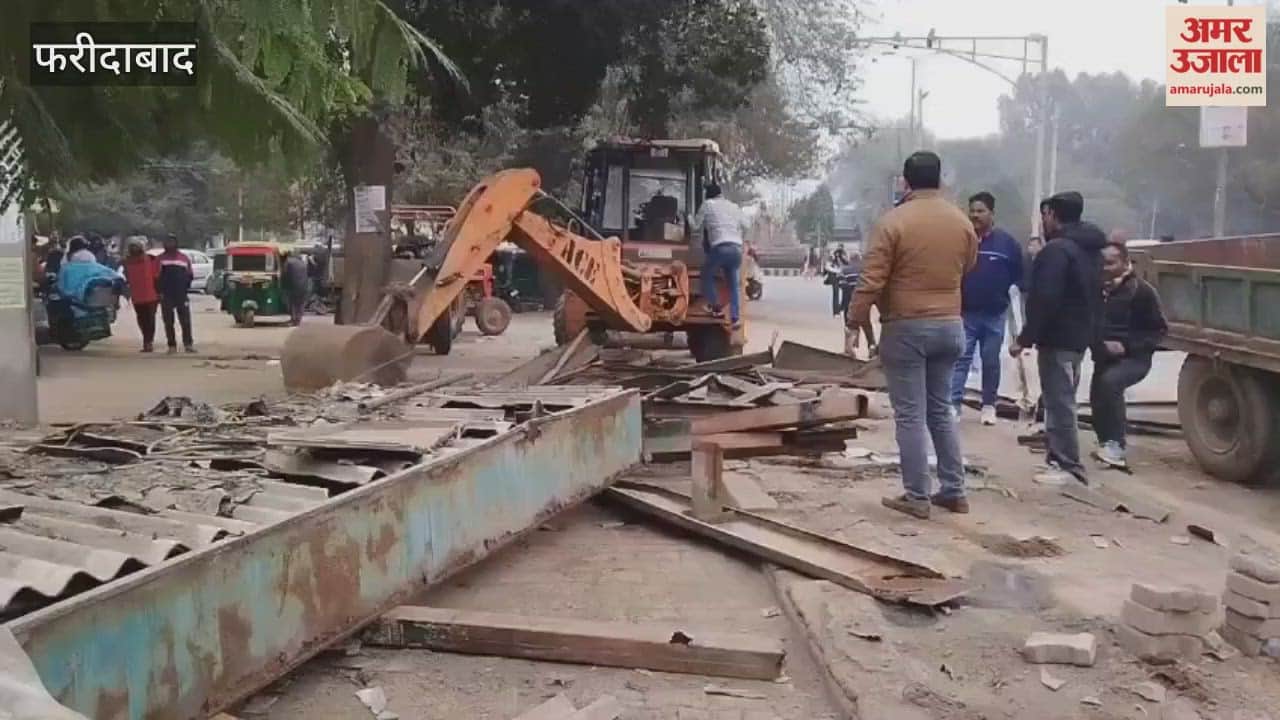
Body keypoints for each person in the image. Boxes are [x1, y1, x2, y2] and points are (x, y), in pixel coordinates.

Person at [849, 151, 978, 519]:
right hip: (950, 325)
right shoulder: (961, 222)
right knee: (941, 411)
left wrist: (855, 320)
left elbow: (872, 279)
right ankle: (954, 490)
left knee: (910, 414)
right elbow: (968, 265)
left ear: (905, 182)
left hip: (906, 326)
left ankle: (917, 496)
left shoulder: (893, 223)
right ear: (940, 180)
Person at [1009, 191, 1107, 485]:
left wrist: (1025, 338)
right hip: (1078, 336)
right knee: (1062, 397)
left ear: (1052, 215)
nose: (1043, 222)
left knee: (1059, 400)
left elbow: (1045, 298)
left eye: (1045, 215)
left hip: (1058, 336)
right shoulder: (1091, 250)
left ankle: (1068, 465)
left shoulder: (1057, 252)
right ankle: (1058, 458)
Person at [1090, 241, 1167, 468]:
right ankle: (1105, 443)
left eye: (1111, 263)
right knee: (1097, 398)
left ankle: (1116, 444)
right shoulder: (1097, 290)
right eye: (1102, 263)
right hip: (1103, 358)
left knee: (1110, 384)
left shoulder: (1142, 291)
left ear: (1125, 263)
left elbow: (1159, 331)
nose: (1105, 268)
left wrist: (1128, 346)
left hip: (1135, 359)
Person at [950, 192, 1024, 425]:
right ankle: (954, 404)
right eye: (972, 210)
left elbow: (1019, 278)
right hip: (966, 313)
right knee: (961, 359)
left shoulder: (1007, 244)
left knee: (990, 360)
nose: (975, 215)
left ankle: (989, 405)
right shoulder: (962, 240)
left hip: (995, 315)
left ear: (992, 213)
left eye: (980, 211)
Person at [690, 183, 748, 329]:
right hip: (736, 249)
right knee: (733, 284)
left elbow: (696, 228)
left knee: (706, 275)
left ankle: (715, 307)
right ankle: (735, 318)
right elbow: (747, 225)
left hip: (720, 248)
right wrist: (739, 237)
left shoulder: (707, 204)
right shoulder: (733, 206)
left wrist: (689, 217)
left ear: (708, 194)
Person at [156, 234, 196, 354]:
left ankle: (188, 344)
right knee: (168, 321)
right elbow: (156, 277)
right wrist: (159, 292)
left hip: (181, 294)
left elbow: (190, 275)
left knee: (185, 321)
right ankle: (172, 345)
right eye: (168, 242)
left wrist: (185, 288)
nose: (170, 244)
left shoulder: (183, 258)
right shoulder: (160, 259)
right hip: (166, 294)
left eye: (172, 241)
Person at [121, 239, 161, 352]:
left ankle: (148, 342)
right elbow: (126, 277)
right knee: (141, 319)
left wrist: (159, 291)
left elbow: (157, 276)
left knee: (150, 319)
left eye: (136, 246)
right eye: (132, 247)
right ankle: (147, 339)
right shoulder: (127, 262)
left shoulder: (151, 259)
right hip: (137, 296)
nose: (134, 249)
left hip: (151, 295)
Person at [282, 249, 310, 326]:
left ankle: (293, 319)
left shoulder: (288, 261)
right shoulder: (303, 263)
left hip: (292, 286)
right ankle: (298, 320)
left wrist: (283, 285)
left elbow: (284, 274)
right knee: (300, 304)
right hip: (303, 286)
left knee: (292, 303)